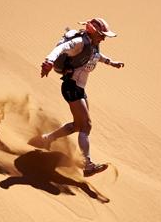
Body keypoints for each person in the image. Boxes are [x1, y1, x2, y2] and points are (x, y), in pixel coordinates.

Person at [31, 17, 125, 177]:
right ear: (94, 32)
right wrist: (49, 61)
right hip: (71, 87)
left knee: (77, 125)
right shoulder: (80, 42)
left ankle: (47, 138)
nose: (104, 38)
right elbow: (60, 49)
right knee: (86, 125)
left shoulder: (93, 45)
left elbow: (96, 56)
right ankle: (87, 164)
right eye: (102, 34)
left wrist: (111, 62)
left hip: (79, 89)